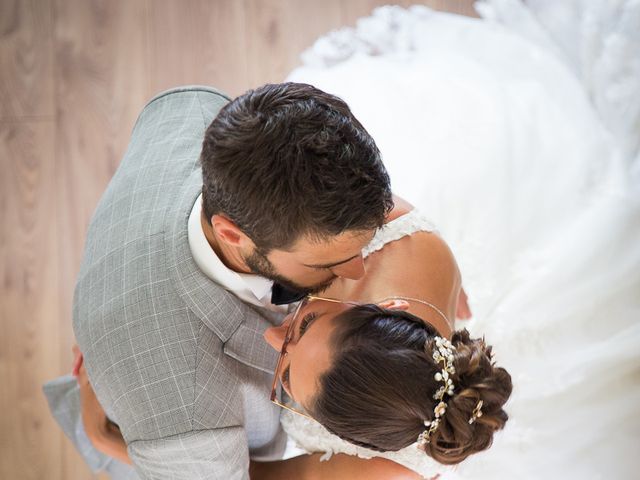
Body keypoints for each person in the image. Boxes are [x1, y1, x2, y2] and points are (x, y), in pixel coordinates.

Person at [44, 81, 405, 479]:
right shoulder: (188, 408)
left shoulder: (193, 113)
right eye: (329, 264)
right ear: (233, 235)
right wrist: (104, 441)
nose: (358, 271)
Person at [74, 203, 513, 479]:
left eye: (284, 376)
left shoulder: (386, 472)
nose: (271, 333)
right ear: (386, 307)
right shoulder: (409, 245)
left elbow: (251, 477)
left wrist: (108, 441)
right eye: (304, 323)